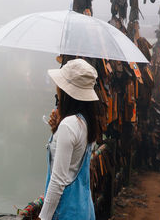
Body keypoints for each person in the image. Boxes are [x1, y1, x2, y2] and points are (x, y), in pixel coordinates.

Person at [38, 59, 99, 220]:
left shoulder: (69, 125)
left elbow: (58, 180)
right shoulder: (86, 122)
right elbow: (75, 163)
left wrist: (43, 217)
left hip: (66, 211)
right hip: (84, 208)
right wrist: (56, 128)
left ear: (66, 90)